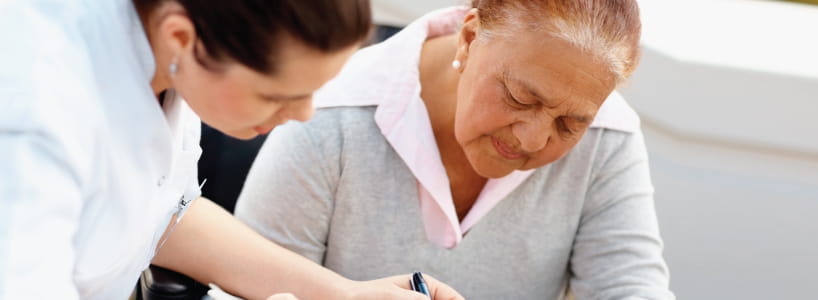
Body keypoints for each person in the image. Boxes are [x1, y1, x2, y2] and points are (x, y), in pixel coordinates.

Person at [0, 0, 461, 299]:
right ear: (180, 37)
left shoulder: (176, 55)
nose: (304, 115)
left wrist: (342, 295)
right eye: (276, 95)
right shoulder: (33, 115)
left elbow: (164, 213)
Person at [235, 1, 675, 299]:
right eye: (521, 99)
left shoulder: (608, 137)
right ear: (469, 37)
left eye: (569, 124)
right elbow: (252, 288)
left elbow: (631, 287)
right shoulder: (328, 121)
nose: (532, 140)